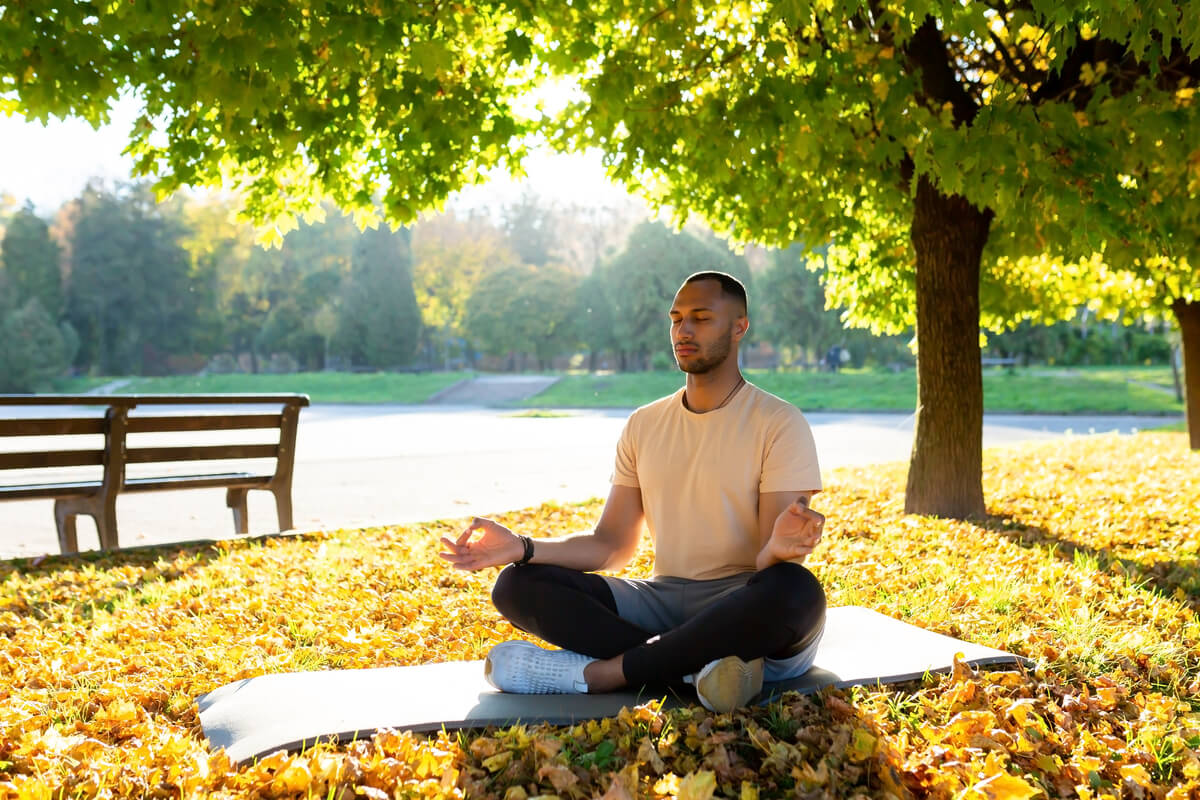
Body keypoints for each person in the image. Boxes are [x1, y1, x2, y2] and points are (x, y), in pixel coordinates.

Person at [439, 271, 827, 712]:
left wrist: (779, 547)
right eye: (677, 318)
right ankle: (697, 670)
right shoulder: (645, 423)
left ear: (739, 327)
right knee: (517, 584)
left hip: (740, 604)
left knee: (796, 590)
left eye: (701, 318)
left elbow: (766, 566)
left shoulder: (779, 422)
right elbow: (611, 546)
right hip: (662, 601)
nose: (683, 330)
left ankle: (598, 674)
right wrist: (522, 547)